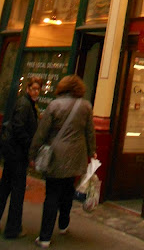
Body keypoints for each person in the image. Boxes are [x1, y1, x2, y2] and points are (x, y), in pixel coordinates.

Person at [29, 74, 96, 249]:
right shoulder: (86, 106)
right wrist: (92, 152)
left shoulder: (54, 105)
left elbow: (42, 132)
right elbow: (90, 132)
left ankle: (45, 237)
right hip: (76, 156)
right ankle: (64, 224)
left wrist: (33, 153)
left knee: (52, 195)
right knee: (68, 191)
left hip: (56, 156)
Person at [0, 76, 43, 238]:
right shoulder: (25, 104)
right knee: (17, 191)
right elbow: (18, 127)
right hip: (17, 154)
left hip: (13, 153)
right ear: (27, 88)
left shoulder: (28, 104)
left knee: (5, 188)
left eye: (38, 89)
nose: (36, 92)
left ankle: (12, 226)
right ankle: (13, 228)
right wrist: (30, 146)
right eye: (33, 88)